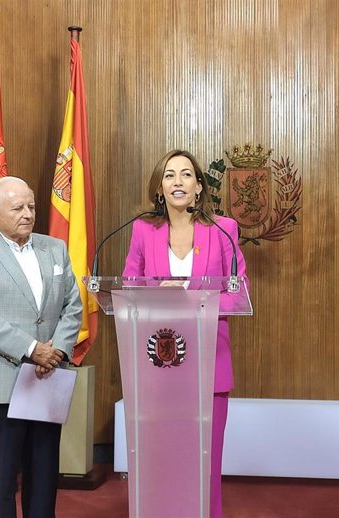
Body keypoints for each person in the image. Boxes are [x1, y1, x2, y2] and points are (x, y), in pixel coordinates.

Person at [122, 149, 248, 518]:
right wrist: (154, 294)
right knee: (162, 458)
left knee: (205, 462)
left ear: (198, 187)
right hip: (158, 365)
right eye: (170, 175)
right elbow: (129, 287)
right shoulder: (143, 230)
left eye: (186, 175)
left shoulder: (223, 228)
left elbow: (239, 293)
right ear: (159, 188)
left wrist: (195, 300)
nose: (178, 181)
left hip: (210, 364)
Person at [0, 176, 83, 518]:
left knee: (44, 475)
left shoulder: (54, 248)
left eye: (31, 206)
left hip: (47, 378)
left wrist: (55, 350)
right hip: (0, 382)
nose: (28, 214)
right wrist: (32, 349)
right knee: (1, 480)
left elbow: (73, 306)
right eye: (18, 208)